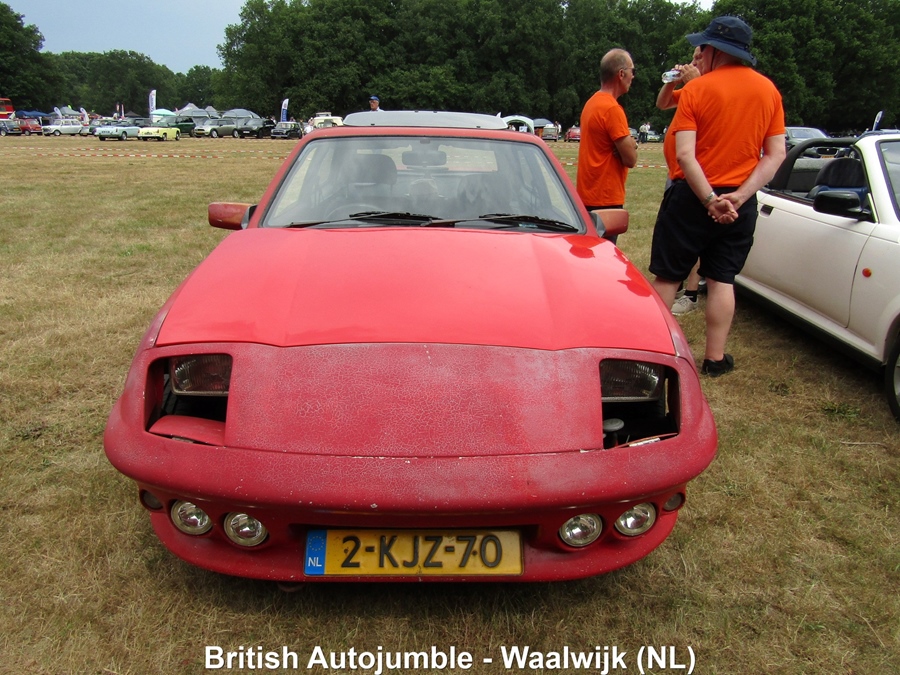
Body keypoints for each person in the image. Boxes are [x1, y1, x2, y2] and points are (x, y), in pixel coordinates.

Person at [648, 16, 786, 376]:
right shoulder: (769, 91)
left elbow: (685, 155)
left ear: (714, 51)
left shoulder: (698, 90)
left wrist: (710, 199)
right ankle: (714, 358)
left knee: (668, 277)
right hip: (739, 203)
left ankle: (655, 353)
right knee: (723, 279)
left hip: (691, 198)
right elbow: (775, 155)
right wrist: (739, 196)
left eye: (703, 48)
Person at [657, 47, 704, 315]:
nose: (693, 61)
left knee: (694, 237)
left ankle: (691, 293)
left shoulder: (705, 86)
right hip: (676, 173)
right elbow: (663, 103)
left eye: (699, 57)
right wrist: (672, 81)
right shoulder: (691, 87)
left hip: (694, 174)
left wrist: (694, 82)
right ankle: (676, 283)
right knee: (673, 237)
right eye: (693, 56)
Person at [576, 48, 638, 237]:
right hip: (606, 198)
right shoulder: (612, 109)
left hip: (586, 195)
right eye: (632, 71)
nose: (633, 76)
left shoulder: (591, 103)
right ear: (621, 74)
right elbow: (631, 159)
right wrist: (631, 144)